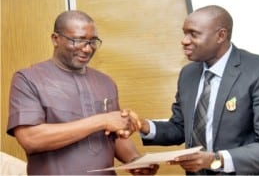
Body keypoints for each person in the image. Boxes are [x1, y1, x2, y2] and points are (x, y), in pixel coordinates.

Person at [133, 5, 259, 175]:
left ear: (221, 35)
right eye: (184, 33)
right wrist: (143, 126)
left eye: (193, 34)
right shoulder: (188, 74)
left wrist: (216, 160)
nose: (184, 40)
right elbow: (181, 127)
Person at [6, 10, 158, 175]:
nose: (87, 49)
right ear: (55, 39)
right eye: (78, 40)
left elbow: (115, 135)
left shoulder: (106, 82)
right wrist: (101, 120)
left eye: (93, 41)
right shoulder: (28, 79)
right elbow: (31, 139)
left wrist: (134, 160)